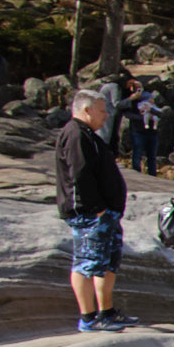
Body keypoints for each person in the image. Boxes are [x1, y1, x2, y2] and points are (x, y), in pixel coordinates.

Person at [55, 89, 138, 332]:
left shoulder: (88, 135)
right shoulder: (75, 135)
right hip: (89, 214)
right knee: (86, 263)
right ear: (86, 110)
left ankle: (107, 312)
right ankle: (89, 317)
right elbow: (79, 175)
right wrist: (96, 209)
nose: (106, 115)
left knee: (107, 262)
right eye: (102, 110)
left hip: (105, 213)